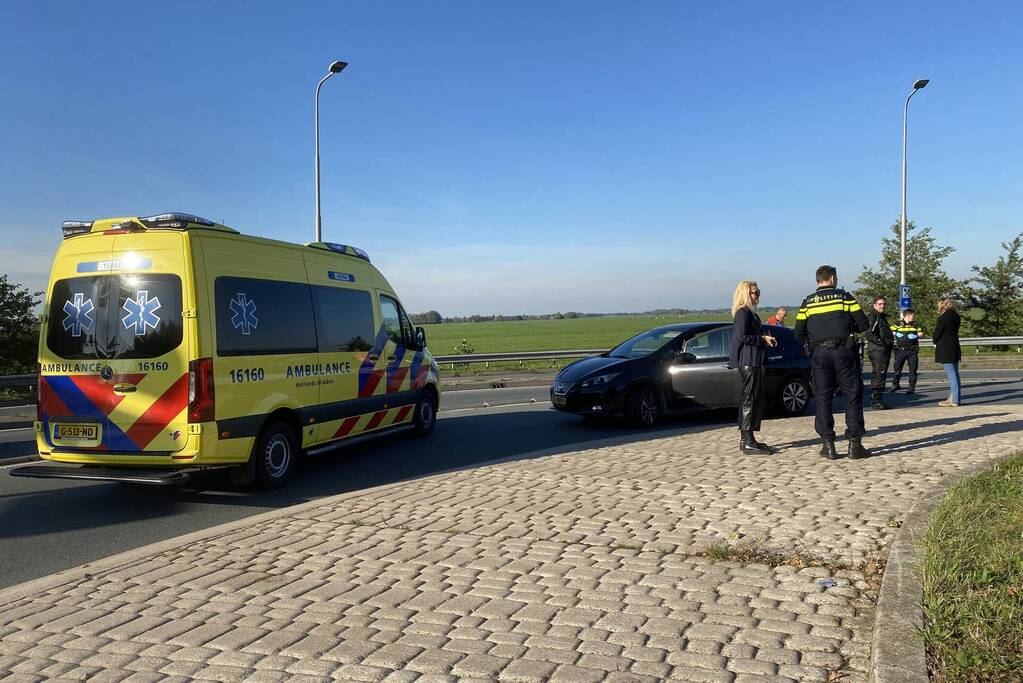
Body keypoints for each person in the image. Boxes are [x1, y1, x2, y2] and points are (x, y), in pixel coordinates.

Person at [794, 265, 871, 459]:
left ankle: (828, 445)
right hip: (845, 352)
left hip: (820, 354)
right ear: (833, 279)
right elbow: (863, 324)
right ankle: (855, 445)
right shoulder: (845, 298)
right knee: (852, 396)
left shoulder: (807, 303)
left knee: (823, 398)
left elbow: (798, 332)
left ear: (818, 280)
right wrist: (847, 326)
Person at [729, 280, 777, 455]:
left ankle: (748, 439)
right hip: (748, 361)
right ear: (746, 294)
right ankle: (747, 441)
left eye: (758, 292)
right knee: (749, 400)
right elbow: (742, 337)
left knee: (753, 399)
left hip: (753, 360)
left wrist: (764, 339)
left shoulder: (750, 313)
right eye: (755, 293)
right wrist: (762, 339)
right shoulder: (743, 313)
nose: (758, 296)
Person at [865, 296, 895, 410]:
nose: (882, 306)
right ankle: (876, 400)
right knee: (879, 374)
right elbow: (869, 333)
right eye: (880, 304)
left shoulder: (881, 317)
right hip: (878, 350)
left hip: (882, 350)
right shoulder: (874, 316)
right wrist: (881, 343)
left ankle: (878, 398)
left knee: (881, 374)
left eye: (883, 304)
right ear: (874, 305)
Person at [932, 297, 963, 406]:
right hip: (955, 346)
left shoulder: (943, 318)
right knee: (955, 374)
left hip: (945, 348)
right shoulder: (957, 317)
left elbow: (937, 333)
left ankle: (955, 400)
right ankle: (954, 397)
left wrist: (934, 339)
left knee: (951, 374)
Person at [891, 308, 924, 393]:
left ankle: (912, 387)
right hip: (900, 350)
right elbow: (889, 331)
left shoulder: (915, 324)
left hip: (912, 350)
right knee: (897, 369)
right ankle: (896, 384)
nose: (914, 317)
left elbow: (921, 333)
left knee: (913, 369)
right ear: (908, 315)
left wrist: (916, 335)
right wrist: (896, 334)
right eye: (913, 316)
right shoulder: (898, 324)